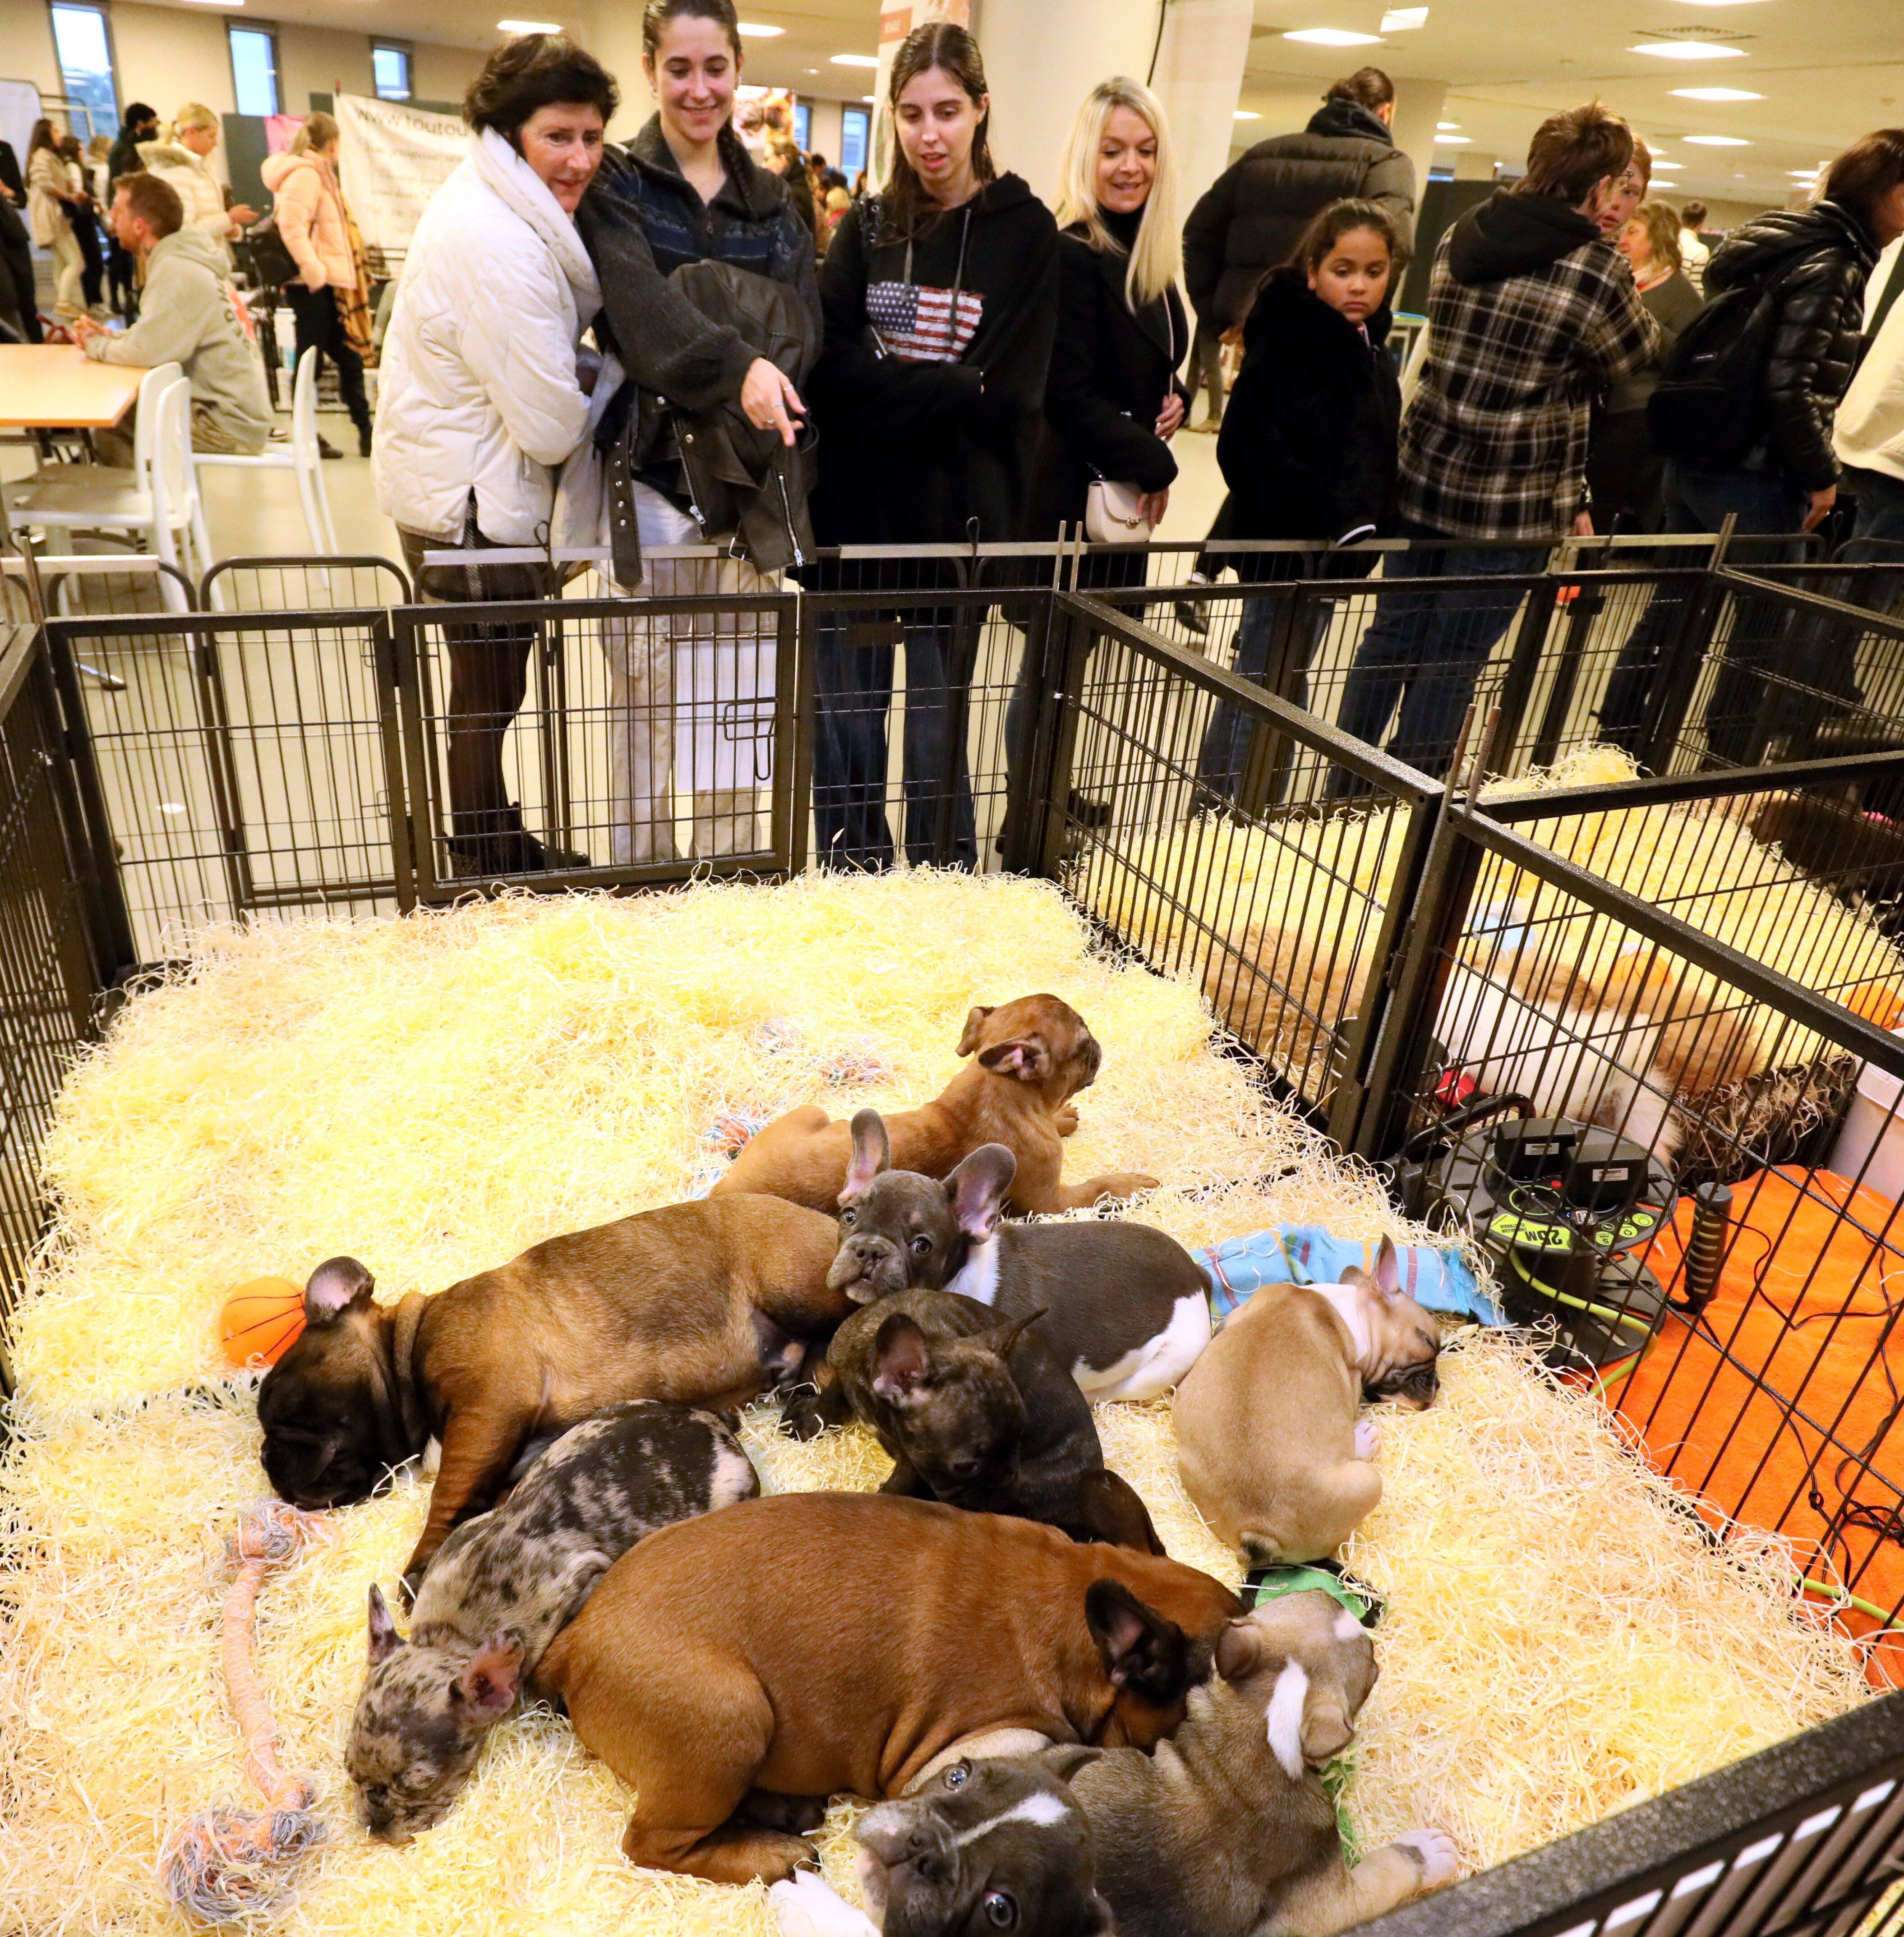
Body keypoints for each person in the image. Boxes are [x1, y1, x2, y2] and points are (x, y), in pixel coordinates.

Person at [1328, 102, 1657, 781]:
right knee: (1454, 658)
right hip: (1513, 503)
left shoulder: (1463, 231)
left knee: (1391, 634)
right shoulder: (1595, 267)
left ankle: (1342, 780)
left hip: (1424, 476)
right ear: (1597, 188)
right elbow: (1634, 356)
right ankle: (1398, 801)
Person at [808, 20, 1059, 872]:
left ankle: (941, 892)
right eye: (911, 114)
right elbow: (829, 374)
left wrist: (891, 391)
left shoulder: (1024, 233)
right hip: (855, 527)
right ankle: (855, 887)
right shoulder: (869, 225)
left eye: (947, 111)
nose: (929, 134)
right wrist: (948, 388)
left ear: (981, 111)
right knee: (846, 733)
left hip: (957, 533)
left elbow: (1013, 397)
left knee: (935, 734)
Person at [574, 0, 819, 865]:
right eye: (679, 69)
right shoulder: (616, 185)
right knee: (640, 713)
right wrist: (738, 362)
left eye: (714, 67)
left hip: (749, 495)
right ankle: (639, 888)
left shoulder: (777, 209)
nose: (699, 88)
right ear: (651, 70)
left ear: (739, 67)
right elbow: (641, 322)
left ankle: (725, 892)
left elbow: (802, 338)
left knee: (733, 713)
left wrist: (704, 339)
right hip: (648, 489)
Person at [374, 32, 615, 876]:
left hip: (454, 484)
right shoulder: (498, 240)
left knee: (486, 689)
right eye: (559, 136)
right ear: (511, 132)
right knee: (486, 691)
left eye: (591, 137)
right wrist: (601, 383)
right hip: (470, 502)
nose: (580, 158)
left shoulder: (491, 204)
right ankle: (483, 856)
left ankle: (489, 839)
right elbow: (550, 425)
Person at [1654, 130, 1904, 763]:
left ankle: (1627, 747)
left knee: (1672, 609)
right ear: (1886, 194)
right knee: (1762, 623)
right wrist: (1819, 475)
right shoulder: (1838, 262)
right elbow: (1789, 387)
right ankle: (1726, 762)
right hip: (1758, 469)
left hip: (1698, 451)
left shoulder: (1777, 243)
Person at [1005, 75, 1187, 852]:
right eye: (1112, 150)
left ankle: (1051, 795)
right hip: (1065, 497)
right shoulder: (1071, 250)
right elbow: (1067, 393)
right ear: (1087, 153)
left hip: (1110, 490)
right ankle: (1027, 821)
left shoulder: (1150, 249)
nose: (1129, 165)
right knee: (1047, 667)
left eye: (1144, 150)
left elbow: (1147, 357)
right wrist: (1155, 459)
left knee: (1071, 668)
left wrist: (1169, 395)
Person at [1199, 199, 1406, 807]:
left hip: (1326, 555)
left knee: (1278, 682)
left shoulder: (1366, 345)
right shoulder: (1295, 338)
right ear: (1313, 270)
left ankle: (1243, 805)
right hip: (1288, 550)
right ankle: (1223, 813)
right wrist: (1336, 517)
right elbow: (1245, 448)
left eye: (1373, 271)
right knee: (1266, 683)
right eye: (1344, 269)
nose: (1359, 284)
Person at [1180, 67, 1415, 433]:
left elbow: (1198, 233)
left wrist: (1220, 317)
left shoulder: (1260, 157)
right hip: (1334, 353)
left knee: (1256, 457)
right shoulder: (1386, 165)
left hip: (1263, 340)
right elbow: (1394, 247)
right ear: (1385, 112)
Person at [74, 172, 272, 459]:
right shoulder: (184, 260)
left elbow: (147, 352)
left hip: (226, 424)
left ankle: (147, 503)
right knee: (128, 412)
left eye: (118, 210)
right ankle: (156, 497)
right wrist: (110, 335)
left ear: (140, 225)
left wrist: (95, 345)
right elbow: (157, 333)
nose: (112, 217)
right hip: (238, 413)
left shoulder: (175, 271)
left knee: (113, 425)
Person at [261, 112, 375, 458]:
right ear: (332, 143)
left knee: (346, 356)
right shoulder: (307, 175)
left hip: (324, 284)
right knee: (314, 361)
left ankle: (366, 433)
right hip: (312, 286)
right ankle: (310, 435)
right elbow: (291, 228)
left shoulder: (316, 173)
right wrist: (315, 272)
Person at [1586, 198, 1702, 533]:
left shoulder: (1681, 297)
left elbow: (1682, 358)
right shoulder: (1627, 283)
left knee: (1603, 504)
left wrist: (1638, 319)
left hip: (1636, 416)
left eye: (1633, 232)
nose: (1622, 239)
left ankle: (1585, 579)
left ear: (1658, 239)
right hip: (1605, 409)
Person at [140, 105, 258, 266]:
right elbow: (182, 235)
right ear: (192, 132)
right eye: (211, 136)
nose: (216, 143)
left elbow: (207, 220)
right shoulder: (175, 173)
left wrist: (229, 227)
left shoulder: (201, 168)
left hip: (207, 262)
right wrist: (229, 218)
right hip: (192, 266)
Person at [26, 121, 85, 324]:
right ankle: (63, 302)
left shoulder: (50, 157)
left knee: (61, 264)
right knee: (77, 262)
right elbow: (44, 182)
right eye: (56, 130)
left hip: (58, 215)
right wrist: (68, 196)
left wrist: (71, 193)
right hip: (53, 217)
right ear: (46, 134)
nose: (59, 134)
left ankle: (65, 308)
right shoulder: (42, 156)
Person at [58, 134, 105, 314]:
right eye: (80, 149)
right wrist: (92, 201)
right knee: (93, 260)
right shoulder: (74, 167)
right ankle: (94, 302)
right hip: (82, 219)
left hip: (81, 219)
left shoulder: (73, 167)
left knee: (91, 260)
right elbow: (78, 192)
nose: (83, 153)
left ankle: (93, 302)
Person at [1678, 198, 1711, 294]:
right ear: (1701, 224)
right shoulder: (1700, 251)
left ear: (1681, 220)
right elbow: (1696, 291)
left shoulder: (1667, 243)